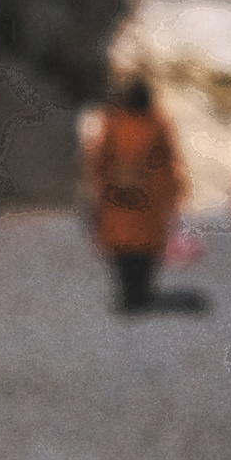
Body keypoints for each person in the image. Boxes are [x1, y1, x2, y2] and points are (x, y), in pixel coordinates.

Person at [85, 72, 185, 311]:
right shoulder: (128, 123)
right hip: (127, 202)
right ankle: (134, 293)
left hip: (139, 202)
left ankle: (136, 293)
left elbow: (165, 161)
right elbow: (102, 159)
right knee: (130, 253)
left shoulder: (145, 124)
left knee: (136, 252)